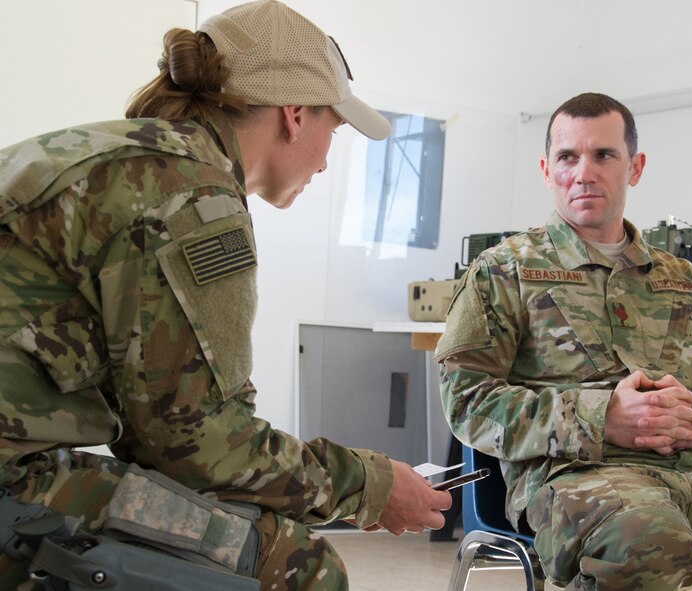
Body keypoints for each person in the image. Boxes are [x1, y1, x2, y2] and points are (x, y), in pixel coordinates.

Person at [0, 1, 450, 589]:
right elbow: (191, 444)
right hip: (13, 481)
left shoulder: (112, 152)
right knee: (295, 564)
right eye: (333, 128)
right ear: (294, 114)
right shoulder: (192, 194)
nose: (325, 159)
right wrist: (369, 486)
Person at [436, 92, 692, 590]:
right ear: (546, 168)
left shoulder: (686, 282)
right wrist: (603, 418)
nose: (584, 172)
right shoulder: (503, 272)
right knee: (645, 542)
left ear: (634, 166)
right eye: (567, 157)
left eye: (604, 155)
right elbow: (468, 402)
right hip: (575, 480)